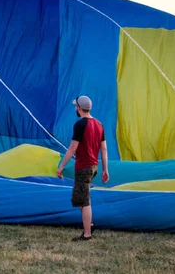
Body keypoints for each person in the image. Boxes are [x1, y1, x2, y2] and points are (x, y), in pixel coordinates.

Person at [57, 96, 109, 241]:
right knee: (79, 198)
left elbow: (73, 148)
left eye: (76, 107)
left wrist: (61, 166)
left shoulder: (80, 125)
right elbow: (104, 149)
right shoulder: (99, 124)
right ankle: (89, 224)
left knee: (84, 201)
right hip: (94, 166)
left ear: (79, 108)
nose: (75, 109)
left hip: (84, 167)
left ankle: (87, 234)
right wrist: (105, 169)